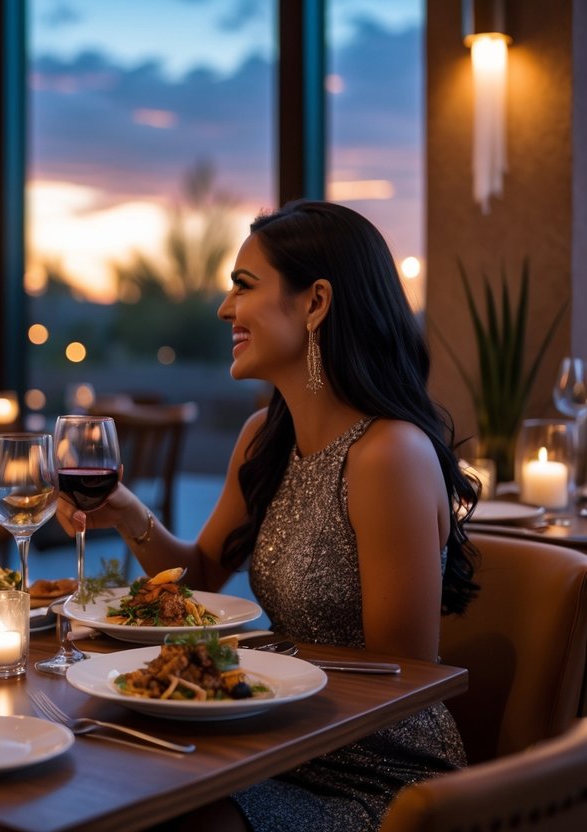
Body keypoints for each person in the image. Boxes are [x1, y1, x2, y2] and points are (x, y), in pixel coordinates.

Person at [60, 200, 478, 832]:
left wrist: (243, 665)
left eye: (243, 286)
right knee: (105, 789)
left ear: (315, 303)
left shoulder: (389, 454)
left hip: (377, 777)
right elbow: (199, 574)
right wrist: (124, 509)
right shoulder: (265, 438)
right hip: (273, 747)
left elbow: (400, 676)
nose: (226, 308)